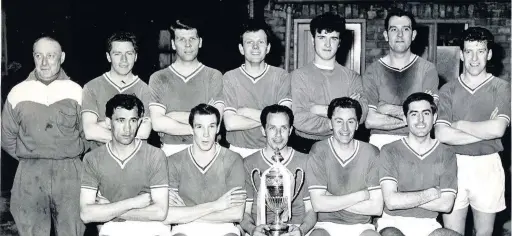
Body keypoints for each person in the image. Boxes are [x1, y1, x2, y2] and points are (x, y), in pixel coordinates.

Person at [1, 36, 86, 236]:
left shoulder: (77, 91)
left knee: (71, 229)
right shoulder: (18, 92)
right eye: (39, 56)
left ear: (62, 57)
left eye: (51, 56)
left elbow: (87, 136)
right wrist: (32, 156)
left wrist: (66, 155)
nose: (44, 62)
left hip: (69, 171)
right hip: (30, 172)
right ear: (33, 57)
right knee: (31, 230)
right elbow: (6, 138)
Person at [435, 27, 510, 236]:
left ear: (490, 54)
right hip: (453, 164)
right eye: (469, 51)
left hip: (488, 164)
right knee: (452, 233)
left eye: (480, 51)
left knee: (484, 233)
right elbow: (442, 134)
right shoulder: (447, 89)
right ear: (461, 54)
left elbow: (498, 129)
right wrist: (485, 129)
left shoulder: (501, 87)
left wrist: (458, 124)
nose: (474, 58)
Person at [79, 94, 169, 236]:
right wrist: (134, 202)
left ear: (139, 122)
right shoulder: (92, 158)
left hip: (152, 229)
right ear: (109, 122)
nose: (127, 129)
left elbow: (160, 212)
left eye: (133, 120)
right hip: (113, 230)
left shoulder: (155, 155)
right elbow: (86, 214)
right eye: (121, 120)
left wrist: (109, 210)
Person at [378, 93, 459, 236]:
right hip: (393, 222)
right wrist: (432, 193)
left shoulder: (447, 153)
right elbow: (391, 202)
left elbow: (446, 205)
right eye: (414, 114)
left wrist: (402, 196)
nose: (420, 120)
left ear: (434, 118)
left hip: (428, 224)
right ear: (405, 118)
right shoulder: (389, 150)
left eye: (426, 113)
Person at [164, 104, 246, 236]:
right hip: (185, 227)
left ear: (218, 128)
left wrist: (187, 212)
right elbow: (168, 216)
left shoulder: (233, 159)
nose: (206, 134)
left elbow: (236, 214)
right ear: (191, 129)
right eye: (199, 127)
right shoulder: (174, 161)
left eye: (211, 126)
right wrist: (217, 205)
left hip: (224, 226)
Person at [291, 13, 368, 154]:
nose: (327, 44)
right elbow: (299, 119)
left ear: (339, 42)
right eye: (322, 37)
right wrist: (343, 118)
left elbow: (361, 114)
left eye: (333, 38)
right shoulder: (298, 76)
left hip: (343, 146)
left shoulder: (352, 77)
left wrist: (316, 108)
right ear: (313, 39)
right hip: (305, 148)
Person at [363, 8, 440, 149]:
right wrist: (413, 115)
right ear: (386, 35)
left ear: (413, 35)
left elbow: (430, 116)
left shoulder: (427, 69)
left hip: (417, 142)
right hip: (380, 143)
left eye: (405, 29)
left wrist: (385, 108)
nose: (399, 35)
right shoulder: (372, 71)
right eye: (394, 29)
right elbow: (370, 120)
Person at [307, 97, 382, 236]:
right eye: (339, 121)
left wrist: (331, 199)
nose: (345, 128)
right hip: (326, 225)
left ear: (357, 124)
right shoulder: (319, 150)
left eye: (351, 121)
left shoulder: (372, 152)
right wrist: (361, 195)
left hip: (362, 226)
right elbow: (318, 204)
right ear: (330, 123)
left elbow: (376, 208)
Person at [149, 18, 224, 157]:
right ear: (173, 44)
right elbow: (157, 123)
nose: (188, 45)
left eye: (192, 39)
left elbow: (215, 124)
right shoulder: (158, 78)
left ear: (200, 42)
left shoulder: (214, 76)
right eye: (181, 39)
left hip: (207, 152)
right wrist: (201, 125)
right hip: (171, 151)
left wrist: (171, 116)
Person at [242, 105, 316, 236]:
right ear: (263, 130)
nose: (278, 134)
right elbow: (245, 212)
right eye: (272, 128)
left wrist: (301, 231)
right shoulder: (249, 163)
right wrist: (252, 229)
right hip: (259, 229)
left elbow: (311, 210)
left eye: (283, 128)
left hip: (295, 229)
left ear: (290, 130)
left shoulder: (306, 161)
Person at [222, 19, 292, 158]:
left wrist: (246, 112)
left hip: (273, 151)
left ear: (268, 48)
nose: (255, 47)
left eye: (260, 42)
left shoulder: (281, 76)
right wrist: (270, 121)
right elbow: (230, 123)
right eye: (249, 42)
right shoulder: (229, 77)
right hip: (238, 152)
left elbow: (285, 120)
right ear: (241, 49)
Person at [82, 31, 152, 150]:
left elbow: (144, 132)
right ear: (108, 57)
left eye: (129, 53)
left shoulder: (145, 89)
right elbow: (90, 131)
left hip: (135, 160)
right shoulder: (92, 87)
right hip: (101, 159)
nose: (123, 59)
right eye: (117, 54)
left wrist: (104, 124)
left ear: (135, 56)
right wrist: (130, 129)